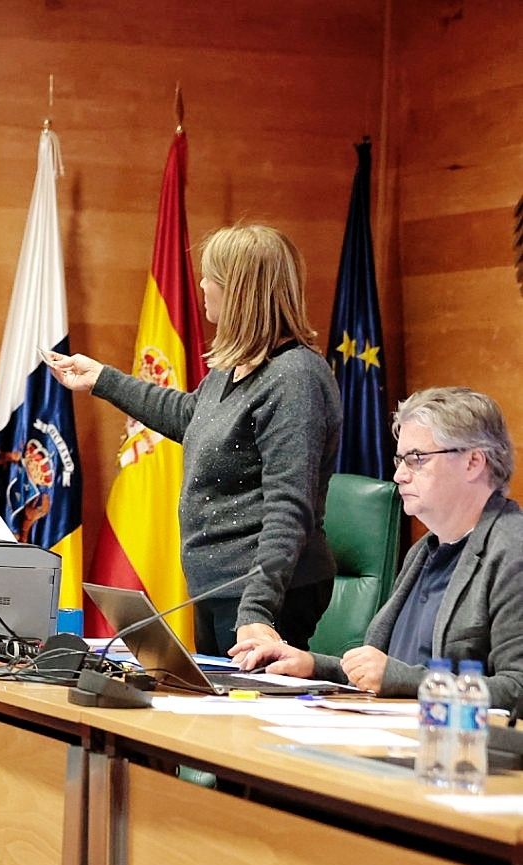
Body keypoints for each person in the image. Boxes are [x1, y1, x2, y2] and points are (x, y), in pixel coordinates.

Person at [47, 223, 342, 656]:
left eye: (211, 276)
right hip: (217, 585)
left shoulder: (294, 378)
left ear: (239, 290)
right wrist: (102, 380)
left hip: (265, 593)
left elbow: (288, 508)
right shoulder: (235, 366)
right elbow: (191, 416)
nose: (202, 285)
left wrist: (256, 611)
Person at [233, 387, 523, 710]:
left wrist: (403, 679)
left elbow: (516, 689)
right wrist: (311, 665)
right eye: (400, 460)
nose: (399, 475)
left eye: (416, 459)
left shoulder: (513, 551)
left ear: (473, 462)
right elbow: (383, 672)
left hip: (462, 752)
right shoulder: (424, 552)